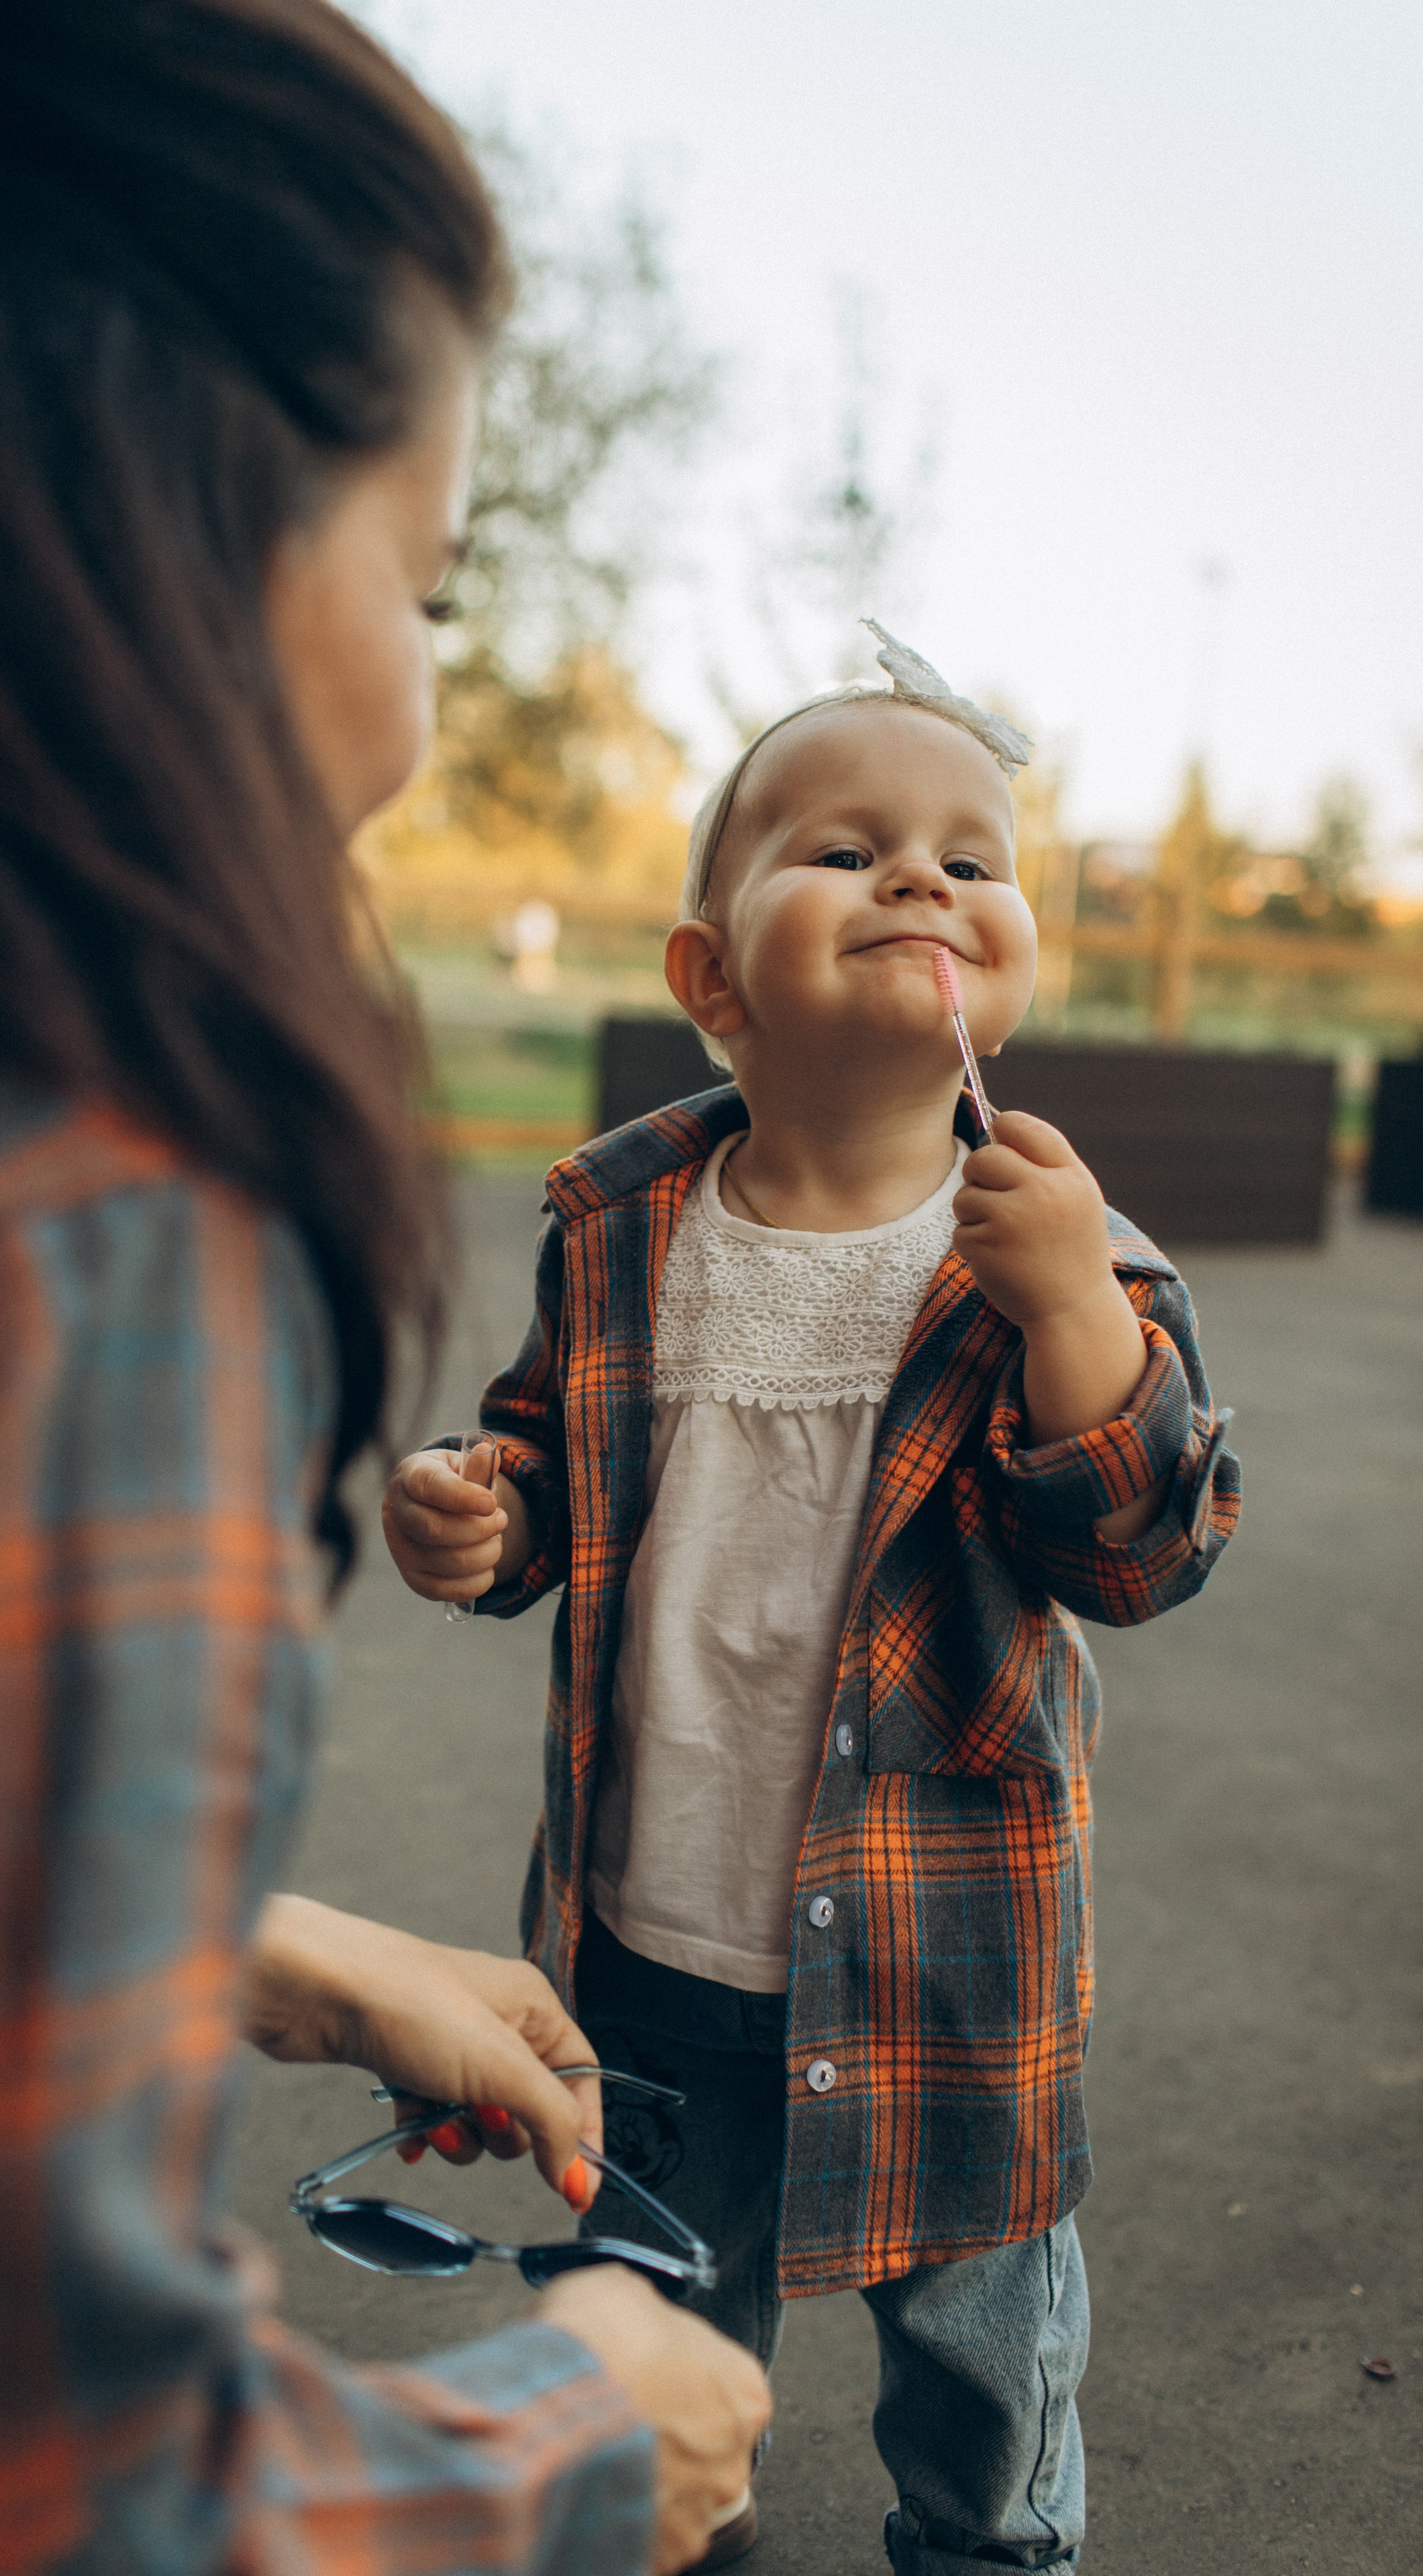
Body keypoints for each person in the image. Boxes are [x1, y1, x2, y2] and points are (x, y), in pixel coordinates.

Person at [0, 3, 770, 2569]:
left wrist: (232, 1946)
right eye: (426, 581)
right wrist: (584, 2437)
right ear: (161, 515)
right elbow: (15, 2495)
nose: (419, 706)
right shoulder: (64, 1253)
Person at [382, 635, 1243, 2575]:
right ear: (711, 981)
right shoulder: (623, 1228)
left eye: (970, 858)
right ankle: (669, 2529)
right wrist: (482, 1516)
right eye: (847, 850)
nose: (920, 877)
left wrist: (1074, 1316)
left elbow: (1142, 1554)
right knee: (651, 2342)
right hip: (650, 1934)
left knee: (980, 2362)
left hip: (951, 1958)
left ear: (1013, 968)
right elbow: (550, 1465)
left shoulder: (1065, 1253)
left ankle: (989, 2553)